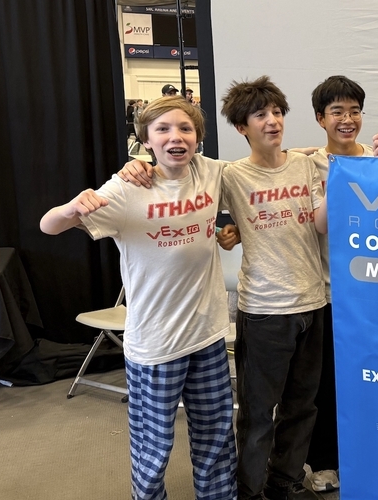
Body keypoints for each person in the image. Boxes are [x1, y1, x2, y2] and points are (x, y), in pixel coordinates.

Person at [40, 96, 237, 500]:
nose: (175, 137)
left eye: (184, 128)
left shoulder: (210, 172)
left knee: (217, 437)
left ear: (198, 137)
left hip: (207, 333)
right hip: (156, 344)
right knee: (153, 446)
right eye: (162, 129)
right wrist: (73, 206)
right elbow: (49, 226)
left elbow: (273, 165)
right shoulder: (128, 188)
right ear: (145, 140)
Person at [214, 77, 327, 500]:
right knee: (258, 412)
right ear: (242, 127)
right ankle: (249, 489)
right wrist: (228, 232)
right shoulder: (231, 176)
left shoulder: (305, 165)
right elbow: (191, 193)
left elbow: (319, 221)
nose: (273, 121)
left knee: (302, 406)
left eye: (277, 112)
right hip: (264, 309)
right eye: (260, 115)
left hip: (312, 301)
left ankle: (285, 481)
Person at [303, 75, 374, 494]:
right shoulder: (308, 165)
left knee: (371, 380)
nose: (347, 119)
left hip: (373, 294)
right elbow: (320, 224)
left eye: (354, 111)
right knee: (326, 384)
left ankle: (369, 456)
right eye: (337, 112)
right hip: (329, 293)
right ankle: (326, 462)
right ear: (320, 118)